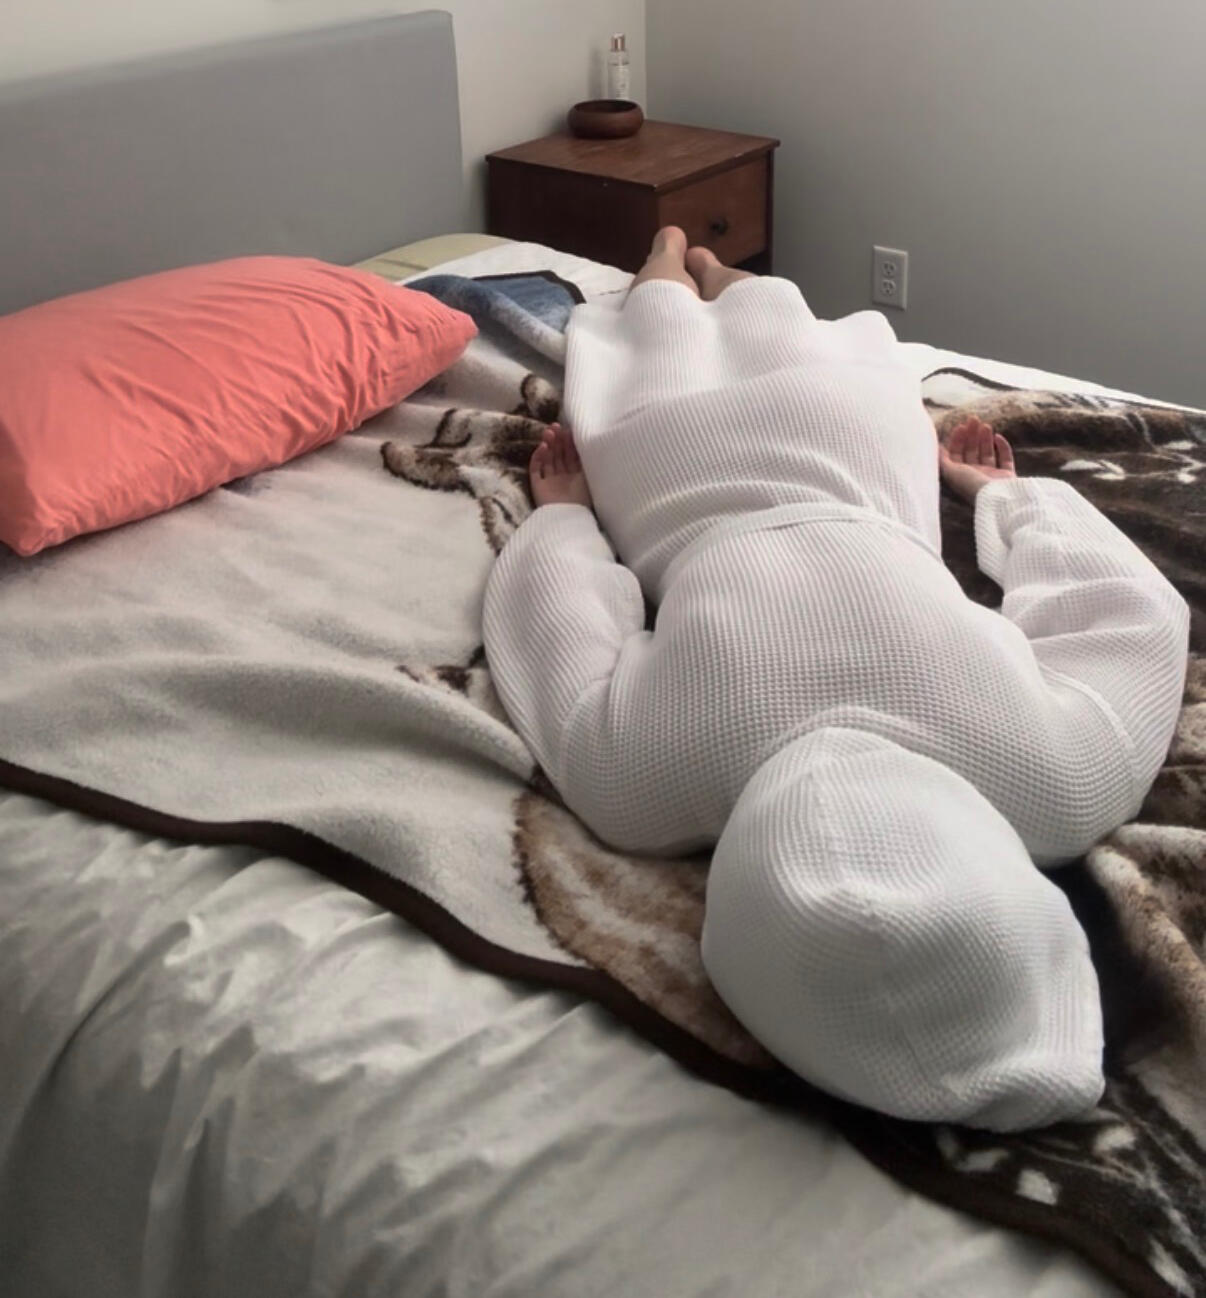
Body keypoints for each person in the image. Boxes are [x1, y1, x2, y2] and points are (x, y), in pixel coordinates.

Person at [482, 227, 1189, 1131]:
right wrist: (567, 525)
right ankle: (677, 264)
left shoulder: (1060, 781)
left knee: (772, 321)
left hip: (855, 464)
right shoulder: (642, 785)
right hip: (682, 479)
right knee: (663, 330)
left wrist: (1006, 500)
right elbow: (561, 627)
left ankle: (685, 258)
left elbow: (1124, 610)